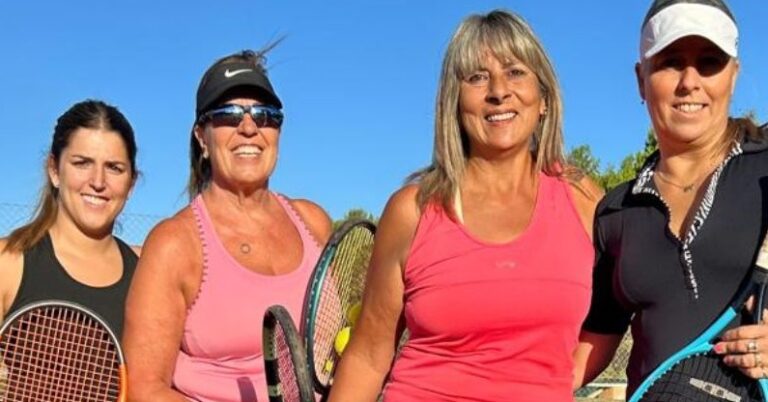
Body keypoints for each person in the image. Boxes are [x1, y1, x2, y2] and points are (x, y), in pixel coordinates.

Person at [328, 9, 601, 402]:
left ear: (543, 98)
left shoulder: (582, 199)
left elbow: (621, 312)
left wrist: (554, 381)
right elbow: (368, 357)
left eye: (515, 72)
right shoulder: (413, 210)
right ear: (454, 103)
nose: (498, 91)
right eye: (476, 77)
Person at [574, 0, 768, 396]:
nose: (689, 82)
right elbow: (589, 349)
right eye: (670, 62)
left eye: (709, 62)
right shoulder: (615, 211)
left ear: (733, 75)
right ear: (640, 79)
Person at [123, 48, 332, 402]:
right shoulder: (175, 243)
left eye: (265, 116)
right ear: (202, 136)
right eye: (229, 115)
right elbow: (145, 389)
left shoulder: (313, 222)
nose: (249, 128)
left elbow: (338, 354)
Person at [0, 99, 140, 338]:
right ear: (54, 170)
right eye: (82, 163)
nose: (98, 182)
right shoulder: (8, 262)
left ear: (131, 183)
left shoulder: (147, 272)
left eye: (114, 168)